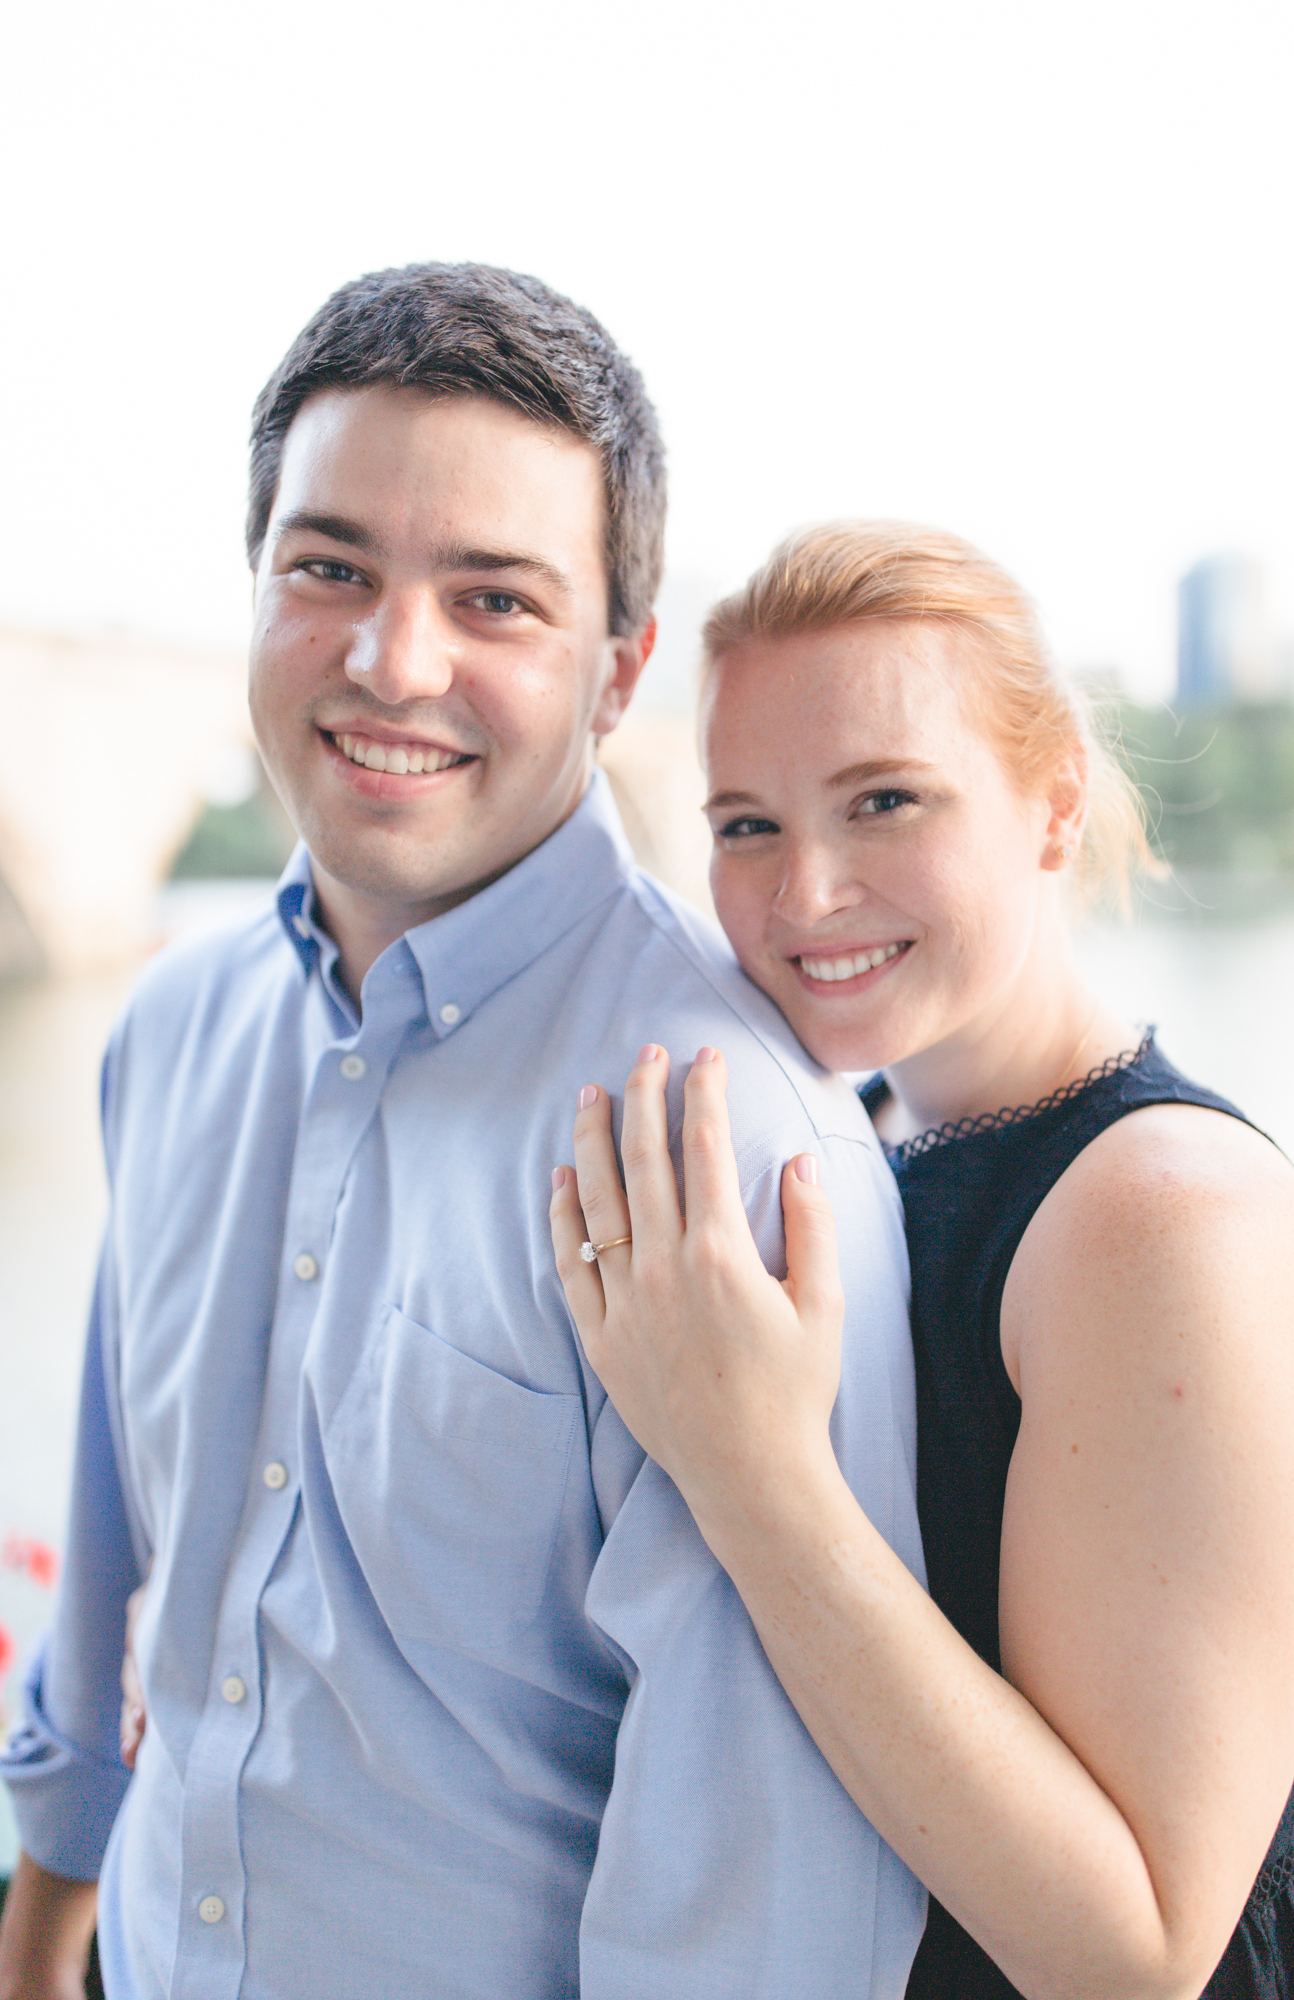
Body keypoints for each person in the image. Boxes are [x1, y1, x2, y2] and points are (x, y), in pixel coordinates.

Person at [0, 274, 929, 1999]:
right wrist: (50, 1896)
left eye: (493, 599)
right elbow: (119, 1531)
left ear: (615, 671)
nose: (389, 660)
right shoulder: (173, 1033)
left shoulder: (730, 1144)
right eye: (328, 566)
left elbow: (768, 1888)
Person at [550, 521, 1294, 2000]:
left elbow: (1132, 1956)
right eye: (745, 825)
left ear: (1052, 805)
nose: (804, 897)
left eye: (885, 801)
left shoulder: (1162, 1213)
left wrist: (748, 1468)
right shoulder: (848, 1136)